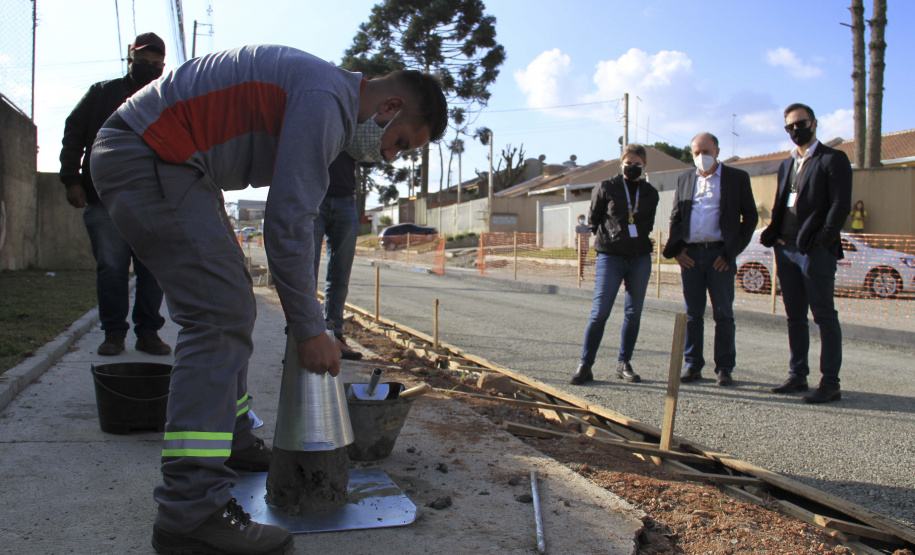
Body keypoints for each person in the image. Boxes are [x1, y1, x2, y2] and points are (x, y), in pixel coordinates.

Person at [89, 45, 447, 554]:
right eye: (402, 142)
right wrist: (310, 327)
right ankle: (190, 512)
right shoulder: (326, 99)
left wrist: (310, 321)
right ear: (389, 108)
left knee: (232, 303)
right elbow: (287, 222)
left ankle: (231, 438)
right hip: (150, 152)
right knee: (219, 316)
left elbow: (295, 223)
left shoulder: (325, 97)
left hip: (176, 161)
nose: (390, 155)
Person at [59, 32, 172, 357]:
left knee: (153, 268)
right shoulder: (103, 93)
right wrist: (71, 179)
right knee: (111, 268)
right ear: (130, 59)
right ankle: (113, 334)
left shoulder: (166, 99)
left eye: (154, 62)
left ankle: (148, 331)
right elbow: (74, 131)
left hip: (154, 201)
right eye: (142, 60)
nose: (148, 66)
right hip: (105, 198)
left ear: (163, 65)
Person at [760, 103, 852, 404]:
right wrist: (773, 232)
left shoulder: (832, 159)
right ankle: (798, 374)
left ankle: (830, 382)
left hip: (814, 252)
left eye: (801, 124)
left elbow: (840, 205)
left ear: (814, 123)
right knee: (794, 316)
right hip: (785, 249)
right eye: (790, 127)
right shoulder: (787, 163)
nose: (796, 130)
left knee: (823, 315)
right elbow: (780, 201)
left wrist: (823, 240)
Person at [663, 133, 758, 386]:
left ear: (717, 151)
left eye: (706, 151)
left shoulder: (737, 178)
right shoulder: (684, 179)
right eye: (696, 152)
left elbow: (749, 218)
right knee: (693, 313)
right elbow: (676, 217)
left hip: (720, 257)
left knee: (723, 314)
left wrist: (731, 253)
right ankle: (692, 364)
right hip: (691, 256)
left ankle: (724, 368)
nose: (701, 156)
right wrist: (677, 251)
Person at [570, 144, 659, 385]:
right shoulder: (606, 187)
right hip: (610, 256)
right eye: (628, 162)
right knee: (600, 312)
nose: (632, 167)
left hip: (639, 257)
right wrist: (613, 236)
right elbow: (594, 218)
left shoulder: (650, 192)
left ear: (644, 166)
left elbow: (648, 224)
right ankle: (585, 365)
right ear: (621, 163)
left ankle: (624, 363)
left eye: (638, 163)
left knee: (633, 313)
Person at [314, 151, 363, 360]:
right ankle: (306, 336)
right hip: (313, 193)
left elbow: (370, 157)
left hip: (345, 198)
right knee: (305, 272)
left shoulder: (355, 120)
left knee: (340, 275)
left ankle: (335, 335)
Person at [575, 213, 590, 278]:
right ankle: (580, 274)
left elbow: (589, 234)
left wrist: (583, 236)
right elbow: (577, 236)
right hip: (578, 246)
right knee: (580, 260)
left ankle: (581, 273)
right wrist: (583, 236)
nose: (582, 220)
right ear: (578, 220)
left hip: (585, 246)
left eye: (583, 219)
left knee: (583, 260)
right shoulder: (577, 227)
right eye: (581, 219)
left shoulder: (587, 227)